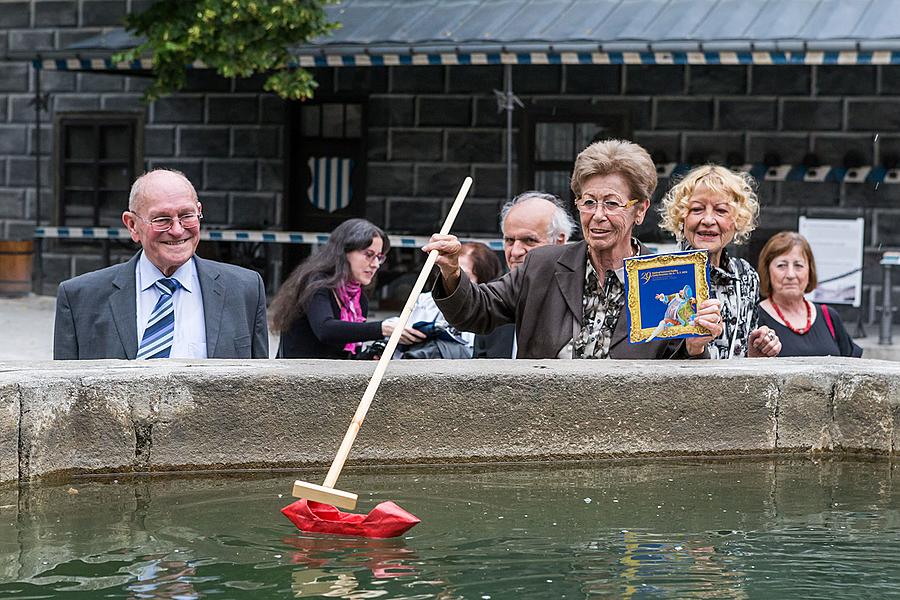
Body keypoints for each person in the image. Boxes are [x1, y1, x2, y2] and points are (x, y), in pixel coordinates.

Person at [425, 139, 724, 359]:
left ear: (640, 210)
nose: (597, 216)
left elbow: (680, 378)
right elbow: (475, 311)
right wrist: (451, 270)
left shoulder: (665, 278)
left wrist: (695, 346)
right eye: (588, 202)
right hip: (544, 430)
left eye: (612, 203)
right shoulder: (541, 266)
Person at [53, 169, 268, 360]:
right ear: (132, 225)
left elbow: (261, 389)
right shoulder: (80, 299)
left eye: (186, 215)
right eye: (162, 219)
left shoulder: (245, 290)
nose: (177, 230)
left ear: (199, 212)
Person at [658, 165, 781, 359]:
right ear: (682, 217)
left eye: (721, 210)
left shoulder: (746, 276)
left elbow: (740, 360)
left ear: (737, 221)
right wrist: (693, 349)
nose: (708, 219)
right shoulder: (662, 273)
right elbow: (648, 363)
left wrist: (755, 352)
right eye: (697, 209)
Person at [270, 218, 425, 359]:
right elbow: (325, 330)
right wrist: (382, 328)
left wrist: (369, 356)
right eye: (369, 254)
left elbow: (344, 357)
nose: (375, 264)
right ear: (344, 253)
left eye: (379, 257)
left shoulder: (358, 299)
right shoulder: (315, 284)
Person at [474, 191, 576, 358]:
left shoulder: (580, 299)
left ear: (559, 241)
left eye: (530, 240)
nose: (515, 252)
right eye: (509, 240)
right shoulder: (492, 300)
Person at [757, 231, 862, 357]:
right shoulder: (755, 318)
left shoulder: (828, 316)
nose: (790, 274)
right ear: (767, 271)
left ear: (809, 271)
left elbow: (853, 366)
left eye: (798, 265)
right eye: (781, 266)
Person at [400, 242, 503, 358]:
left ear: (483, 281)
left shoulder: (487, 312)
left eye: (463, 277)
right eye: (448, 272)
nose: (454, 281)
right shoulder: (425, 301)